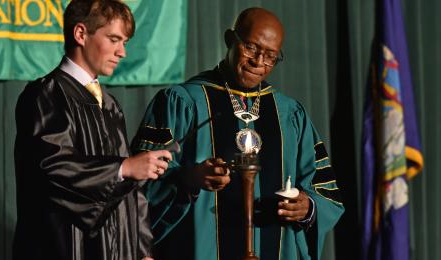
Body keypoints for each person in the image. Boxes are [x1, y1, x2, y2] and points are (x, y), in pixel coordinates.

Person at [131, 7, 344, 260]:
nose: (259, 62)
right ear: (230, 40)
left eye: (271, 56)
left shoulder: (290, 114)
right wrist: (189, 178)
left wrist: (308, 207)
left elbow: (323, 189)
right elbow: (138, 183)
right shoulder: (183, 102)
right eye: (251, 48)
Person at [12, 1, 172, 259]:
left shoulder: (109, 104)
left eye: (125, 42)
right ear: (81, 34)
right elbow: (53, 169)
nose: (122, 52)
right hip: (64, 245)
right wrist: (123, 167)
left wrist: (143, 250)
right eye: (114, 39)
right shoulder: (46, 95)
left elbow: (130, 189)